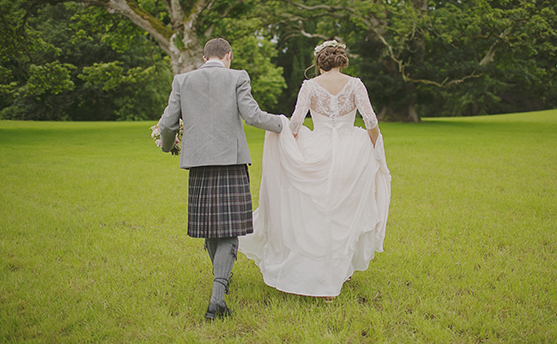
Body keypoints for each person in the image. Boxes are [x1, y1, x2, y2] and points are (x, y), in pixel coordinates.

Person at [239, 39, 391, 299]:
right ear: (341, 59)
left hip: (317, 149)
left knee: (319, 213)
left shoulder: (310, 86)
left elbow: (296, 123)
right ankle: (340, 271)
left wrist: (291, 150)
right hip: (351, 153)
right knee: (343, 212)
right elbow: (370, 120)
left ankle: (324, 273)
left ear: (319, 62)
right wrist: (377, 150)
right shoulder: (355, 84)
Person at [158, 38, 283, 321]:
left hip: (199, 164)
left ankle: (220, 282)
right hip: (231, 161)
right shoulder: (238, 77)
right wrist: (283, 124)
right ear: (229, 56)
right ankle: (217, 297)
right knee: (229, 229)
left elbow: (167, 124)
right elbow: (252, 116)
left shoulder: (182, 80)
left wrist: (168, 146)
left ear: (204, 58)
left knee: (211, 228)